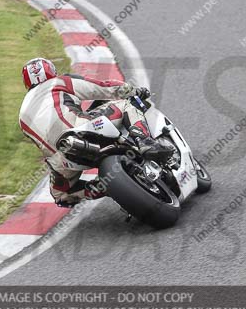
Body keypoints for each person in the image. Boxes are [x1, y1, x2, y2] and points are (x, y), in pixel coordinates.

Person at [19, 58, 172, 207]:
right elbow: (102, 87)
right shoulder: (59, 81)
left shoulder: (22, 116)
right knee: (126, 105)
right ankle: (145, 142)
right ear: (52, 71)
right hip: (81, 129)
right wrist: (134, 91)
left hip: (61, 158)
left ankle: (107, 187)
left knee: (62, 196)